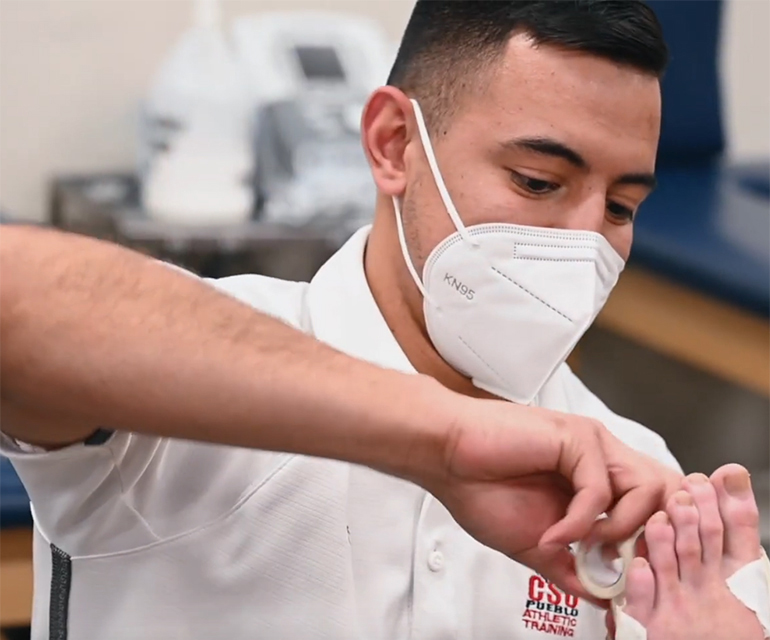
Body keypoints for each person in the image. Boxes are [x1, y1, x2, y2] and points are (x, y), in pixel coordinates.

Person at [0, 1, 765, 639]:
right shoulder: (191, 384)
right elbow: (17, 301)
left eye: (623, 206)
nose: (583, 242)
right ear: (393, 143)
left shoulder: (636, 481)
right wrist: (441, 437)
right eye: (537, 182)